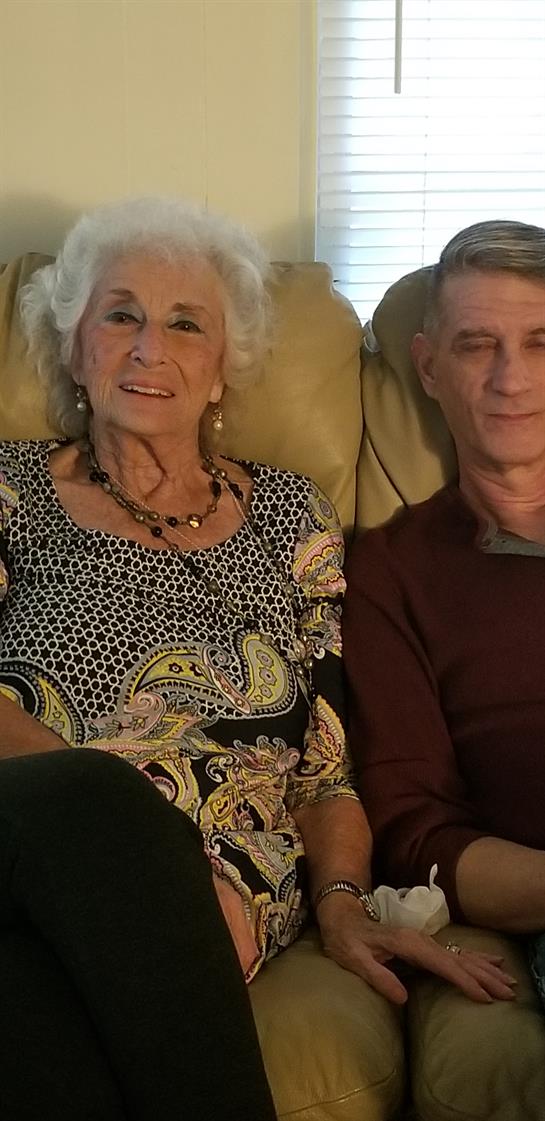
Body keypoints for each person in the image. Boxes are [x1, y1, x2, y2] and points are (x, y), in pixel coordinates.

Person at [0, 199, 515, 1120]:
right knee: (94, 816)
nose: (149, 347)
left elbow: (324, 768)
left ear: (220, 373)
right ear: (75, 347)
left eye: (184, 323)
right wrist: (121, 820)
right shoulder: (7, 487)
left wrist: (346, 897)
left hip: (226, 867)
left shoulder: (291, 515)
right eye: (119, 315)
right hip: (25, 822)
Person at [343, 218, 545, 1003]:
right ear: (427, 367)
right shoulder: (393, 571)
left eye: (539, 342)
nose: (511, 379)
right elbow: (413, 829)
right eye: (475, 346)